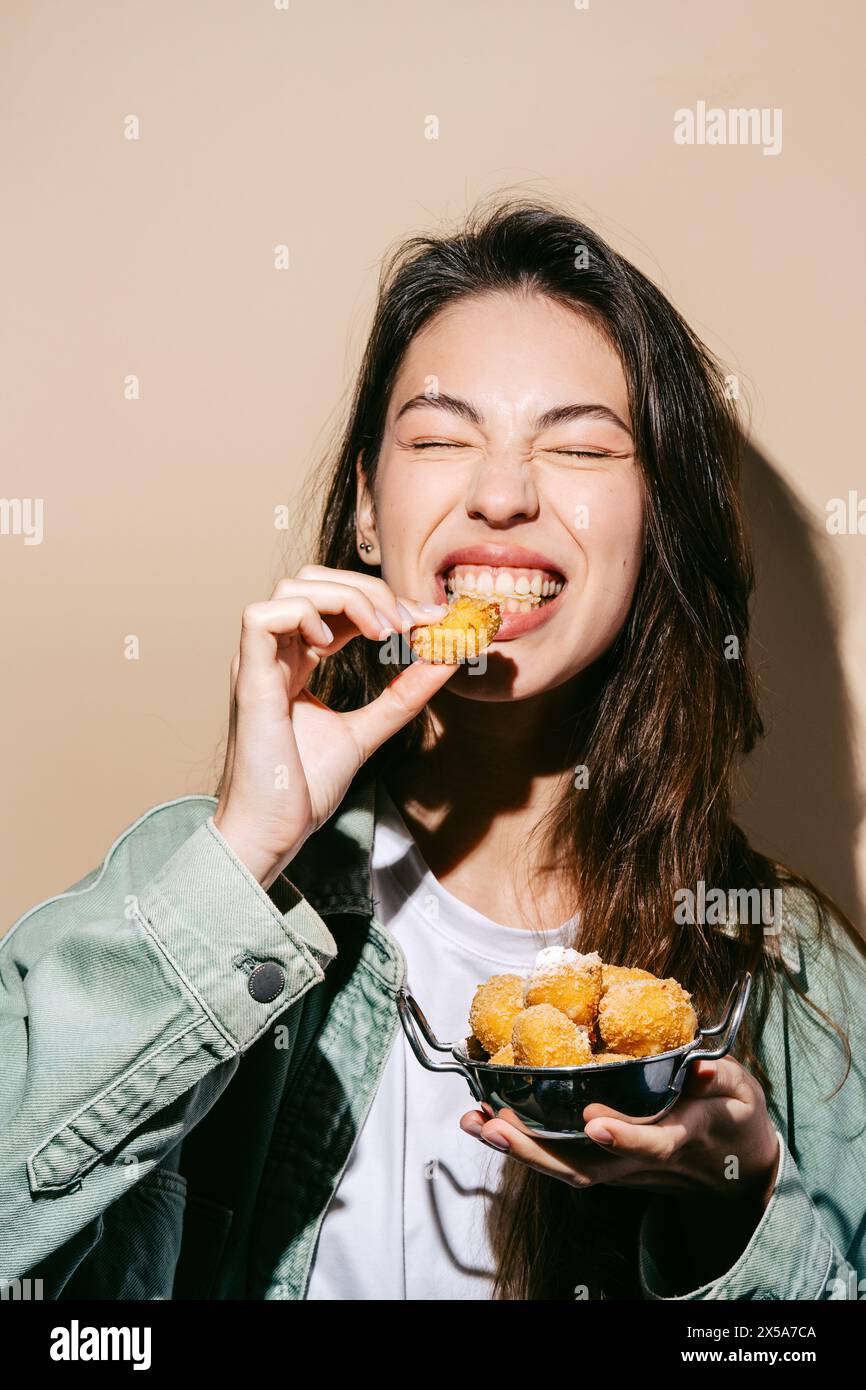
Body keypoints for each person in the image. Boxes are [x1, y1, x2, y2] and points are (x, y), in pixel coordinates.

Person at [2, 199, 864, 1301]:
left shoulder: (786, 975)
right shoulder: (200, 880)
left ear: (657, 526)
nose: (501, 494)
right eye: (440, 436)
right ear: (367, 507)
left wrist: (733, 1222)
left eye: (580, 444)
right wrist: (246, 848)